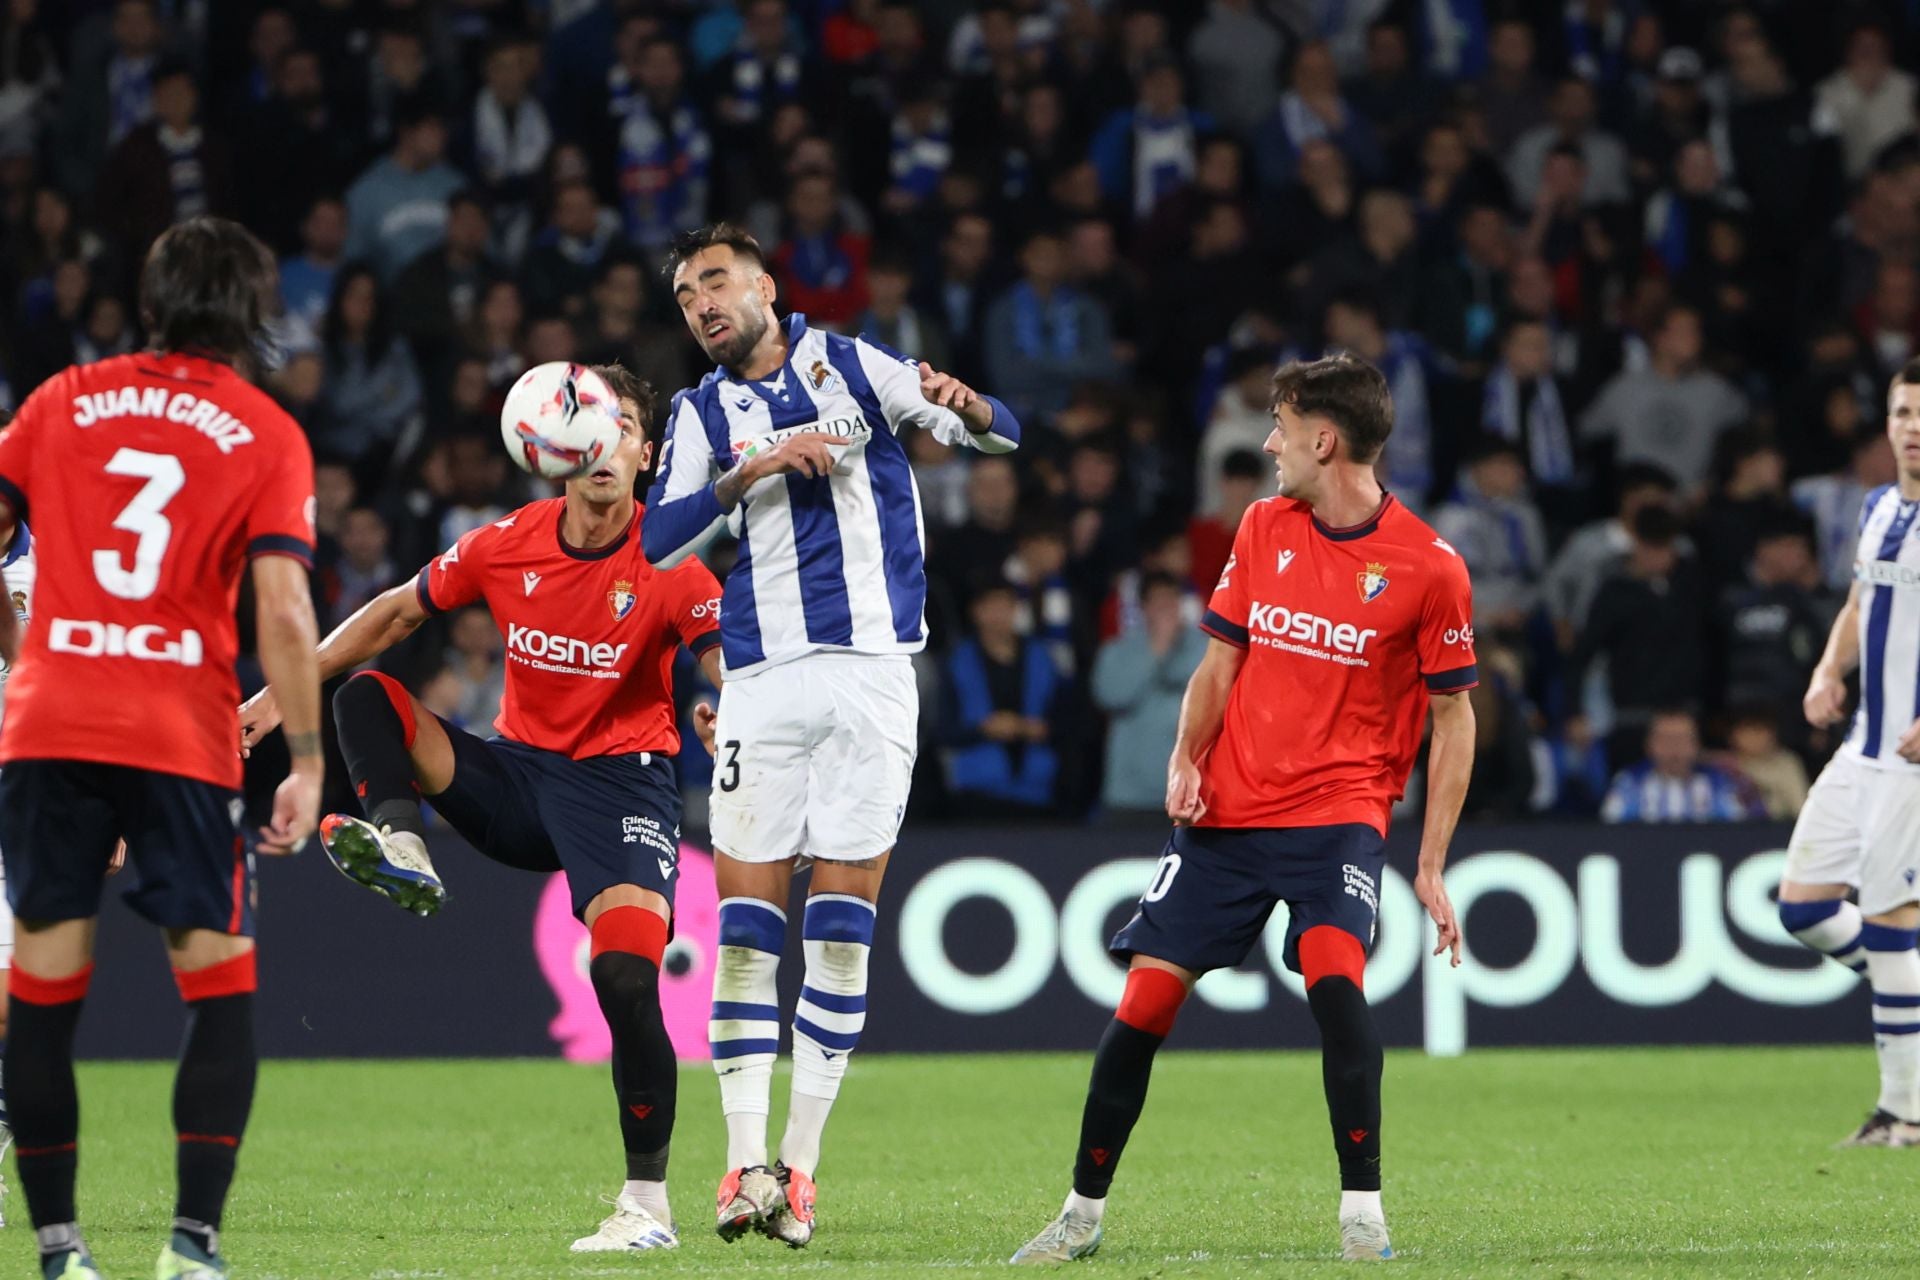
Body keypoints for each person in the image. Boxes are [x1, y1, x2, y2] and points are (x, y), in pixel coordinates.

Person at [238, 364, 722, 1253]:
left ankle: (646, 1204)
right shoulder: (507, 542)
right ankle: (404, 842)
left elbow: (718, 654)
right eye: (592, 428)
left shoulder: (671, 564)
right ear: (555, 449)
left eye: (623, 431)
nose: (605, 445)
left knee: (621, 979)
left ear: (644, 455)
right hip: (513, 782)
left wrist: (727, 706)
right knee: (366, 698)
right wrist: (277, 696)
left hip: (622, 794)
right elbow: (391, 615)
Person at [1011, 353, 1474, 1265]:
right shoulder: (1264, 527)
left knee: (1335, 981)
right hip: (1228, 814)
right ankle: (1080, 1216)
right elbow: (1217, 664)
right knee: (1142, 1005)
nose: (1268, 443)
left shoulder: (1429, 568)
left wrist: (1429, 862)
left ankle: (1362, 1217)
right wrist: (1186, 760)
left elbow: (1455, 719)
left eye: (1281, 426)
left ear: (1324, 439)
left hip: (1339, 814)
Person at [644, 222, 1021, 1247]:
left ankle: (799, 1171)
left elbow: (1002, 432)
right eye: (686, 296)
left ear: (765, 283)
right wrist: (750, 470)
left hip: (872, 675)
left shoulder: (852, 361)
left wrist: (966, 404)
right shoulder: (696, 412)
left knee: (842, 927)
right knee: (747, 934)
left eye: (715, 282)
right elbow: (658, 537)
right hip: (758, 682)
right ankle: (737, 1167)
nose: (703, 304)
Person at [0, 217, 322, 1280]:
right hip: (179, 733)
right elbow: (280, 603)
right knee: (219, 991)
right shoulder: (264, 430)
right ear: (252, 311)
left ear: (152, 298)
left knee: (42, 990)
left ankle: (59, 1251)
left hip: (49, 723)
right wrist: (308, 753)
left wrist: (20, 652)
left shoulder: (59, 401)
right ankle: (191, 1246)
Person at [1779, 358, 1920, 1148]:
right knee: (1801, 908)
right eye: (1904, 414)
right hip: (1861, 748)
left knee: (1891, 925)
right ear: (1888, 423)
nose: (1914, 429)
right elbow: (1863, 601)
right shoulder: (1876, 508)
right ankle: (1912, 1005)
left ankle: (1906, 1113)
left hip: (1913, 764)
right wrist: (1829, 668)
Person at [1598, 710, 1763, 823]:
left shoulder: (1718, 784)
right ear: (1649, 745)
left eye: (1682, 739)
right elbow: (1610, 831)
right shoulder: (1630, 783)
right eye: (1666, 739)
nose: (1674, 747)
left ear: (1696, 744)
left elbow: (1739, 831)